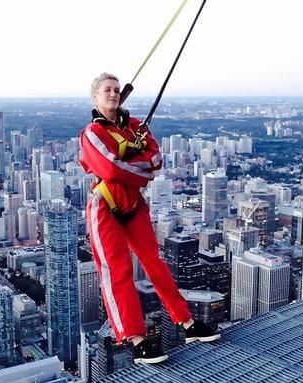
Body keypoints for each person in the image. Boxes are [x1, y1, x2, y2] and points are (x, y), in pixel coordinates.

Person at [80, 72, 220, 364]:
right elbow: (110, 170)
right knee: (117, 271)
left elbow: (156, 159)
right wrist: (140, 167)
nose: (114, 94)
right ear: (95, 97)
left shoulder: (134, 126)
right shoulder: (92, 133)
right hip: (104, 206)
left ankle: (186, 322)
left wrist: (134, 163)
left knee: (155, 263)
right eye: (107, 90)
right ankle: (134, 338)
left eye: (117, 90)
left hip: (134, 205)